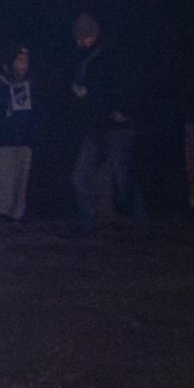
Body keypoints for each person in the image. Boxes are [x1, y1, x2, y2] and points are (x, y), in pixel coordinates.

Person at [69, 12, 146, 231]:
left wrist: (122, 110)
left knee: (122, 177)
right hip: (94, 126)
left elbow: (125, 85)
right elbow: (81, 96)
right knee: (80, 176)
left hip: (117, 127)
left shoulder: (112, 55)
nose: (80, 42)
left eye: (84, 37)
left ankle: (139, 219)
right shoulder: (82, 60)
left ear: (93, 34)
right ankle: (88, 221)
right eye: (79, 38)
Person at [0, 45, 37, 221]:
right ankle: (2, 213)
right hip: (5, 137)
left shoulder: (32, 83)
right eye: (20, 60)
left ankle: (18, 214)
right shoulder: (1, 82)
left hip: (25, 137)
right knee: (5, 178)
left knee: (21, 179)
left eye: (26, 61)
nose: (23, 64)